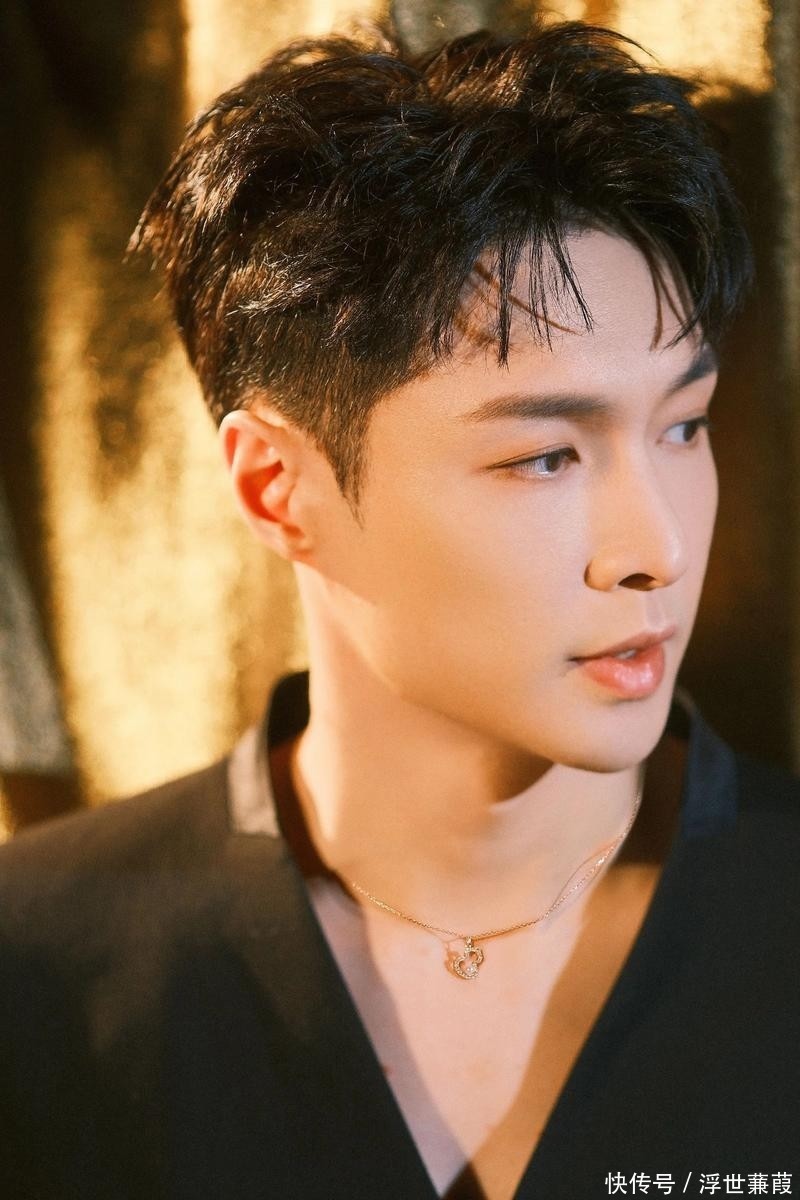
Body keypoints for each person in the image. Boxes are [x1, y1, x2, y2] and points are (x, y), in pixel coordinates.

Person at [1, 18, 798, 1200]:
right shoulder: (39, 963)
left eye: (681, 427)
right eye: (544, 456)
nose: (659, 551)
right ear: (277, 489)